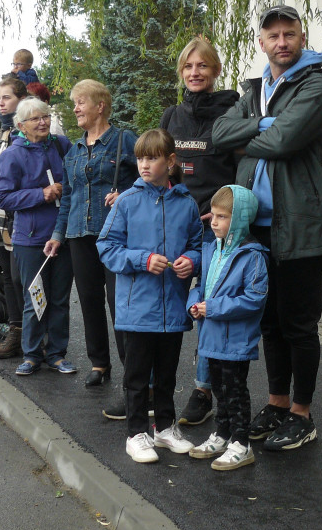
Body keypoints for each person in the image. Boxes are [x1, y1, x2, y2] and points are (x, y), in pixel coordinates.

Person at [213, 4, 322, 451]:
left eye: (290, 34)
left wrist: (256, 133)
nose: (282, 42)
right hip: (256, 228)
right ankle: (276, 403)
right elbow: (218, 134)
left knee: (299, 324)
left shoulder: (317, 85)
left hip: (300, 225)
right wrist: (264, 124)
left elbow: (285, 142)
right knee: (268, 321)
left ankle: (302, 414)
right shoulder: (255, 90)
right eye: (274, 36)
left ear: (301, 38)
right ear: (261, 43)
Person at [97, 129, 203, 464]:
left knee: (168, 372)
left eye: (153, 158)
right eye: (141, 157)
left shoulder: (186, 204)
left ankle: (166, 428)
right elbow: (107, 247)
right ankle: (136, 433)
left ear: (170, 162)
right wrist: (142, 259)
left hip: (172, 305)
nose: (144, 164)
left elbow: (198, 246)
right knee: (138, 375)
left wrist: (191, 262)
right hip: (137, 308)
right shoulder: (127, 201)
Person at [160, 36, 241, 428]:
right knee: (169, 303)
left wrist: (223, 211)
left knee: (207, 307)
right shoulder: (172, 117)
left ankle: (204, 389)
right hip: (177, 226)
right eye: (189, 67)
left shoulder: (232, 112)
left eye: (202, 66)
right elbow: (162, 168)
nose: (195, 73)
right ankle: (153, 387)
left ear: (215, 71)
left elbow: (244, 171)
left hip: (215, 229)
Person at [45, 80, 138, 392]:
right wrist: (58, 234)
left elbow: (150, 180)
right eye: (74, 103)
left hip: (114, 237)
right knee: (89, 300)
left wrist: (124, 193)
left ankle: (131, 368)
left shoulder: (124, 141)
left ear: (100, 105)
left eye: (80, 102)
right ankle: (99, 363)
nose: (75, 108)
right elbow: (68, 197)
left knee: (118, 301)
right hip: (78, 235)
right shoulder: (73, 150)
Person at [186, 185, 268, 470]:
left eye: (222, 216)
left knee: (235, 390)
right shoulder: (212, 248)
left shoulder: (253, 256)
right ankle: (222, 434)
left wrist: (214, 308)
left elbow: (255, 299)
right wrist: (194, 305)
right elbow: (202, 286)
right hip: (211, 335)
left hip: (235, 339)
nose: (214, 221)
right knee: (219, 389)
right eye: (213, 215)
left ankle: (241, 443)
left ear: (241, 220)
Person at [0, 96, 76, 376]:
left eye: (46, 117)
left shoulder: (62, 146)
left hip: (63, 234)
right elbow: (3, 197)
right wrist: (41, 194)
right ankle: (31, 354)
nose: (43, 122)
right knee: (35, 297)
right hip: (29, 238)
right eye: (36, 119)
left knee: (60, 298)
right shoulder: (12, 155)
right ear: (21, 125)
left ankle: (56, 354)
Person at [0, 76, 29, 360]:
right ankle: (16, 329)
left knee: (24, 276)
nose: (1, 103)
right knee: (9, 277)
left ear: (21, 100)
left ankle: (35, 333)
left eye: (6, 97)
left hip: (21, 214)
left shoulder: (28, 131)